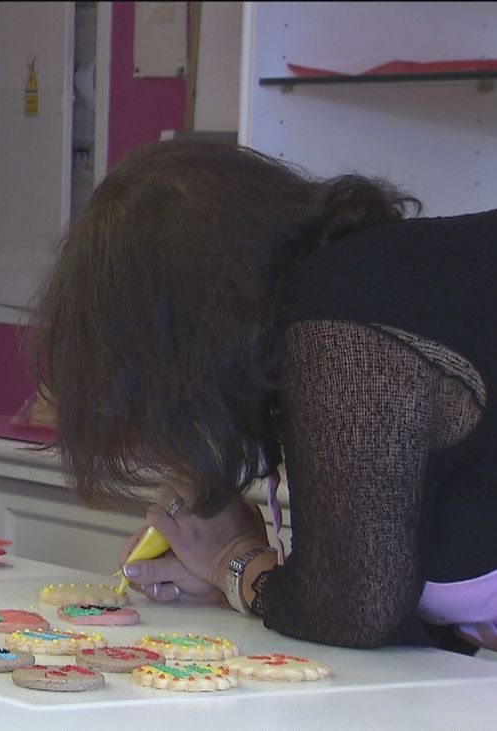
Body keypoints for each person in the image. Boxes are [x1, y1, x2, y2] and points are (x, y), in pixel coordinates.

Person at [31, 140, 496, 653]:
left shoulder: (338, 325)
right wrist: (245, 579)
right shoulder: (359, 298)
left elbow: (350, 611)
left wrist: (234, 561)